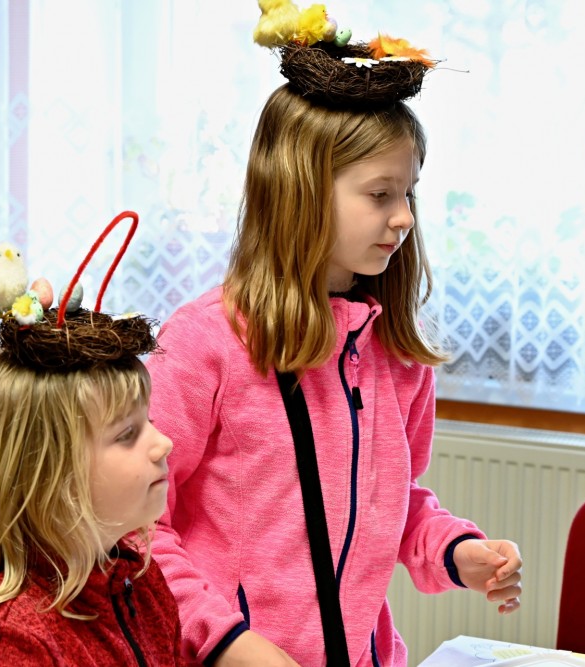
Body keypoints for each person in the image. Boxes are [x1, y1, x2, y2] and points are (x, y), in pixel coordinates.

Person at [145, 10, 522, 667]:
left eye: (409, 193)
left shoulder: (396, 352)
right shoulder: (204, 344)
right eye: (379, 194)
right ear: (301, 190)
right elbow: (137, 528)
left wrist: (456, 550)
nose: (403, 217)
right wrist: (228, 642)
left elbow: (390, 505)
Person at [0, 216, 184, 666]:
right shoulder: (6, 648)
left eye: (147, 422)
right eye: (127, 434)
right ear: (47, 477)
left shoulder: (141, 585)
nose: (163, 443)